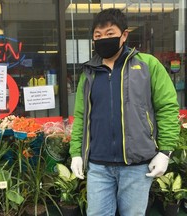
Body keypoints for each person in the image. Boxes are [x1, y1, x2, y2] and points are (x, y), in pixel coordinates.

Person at [69, 8, 179, 216]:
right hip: (98, 165)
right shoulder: (89, 73)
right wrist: (76, 153)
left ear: (124, 35)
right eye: (98, 36)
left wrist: (165, 152)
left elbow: (167, 107)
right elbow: (82, 117)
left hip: (136, 166)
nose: (103, 39)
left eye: (110, 34)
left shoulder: (147, 65)